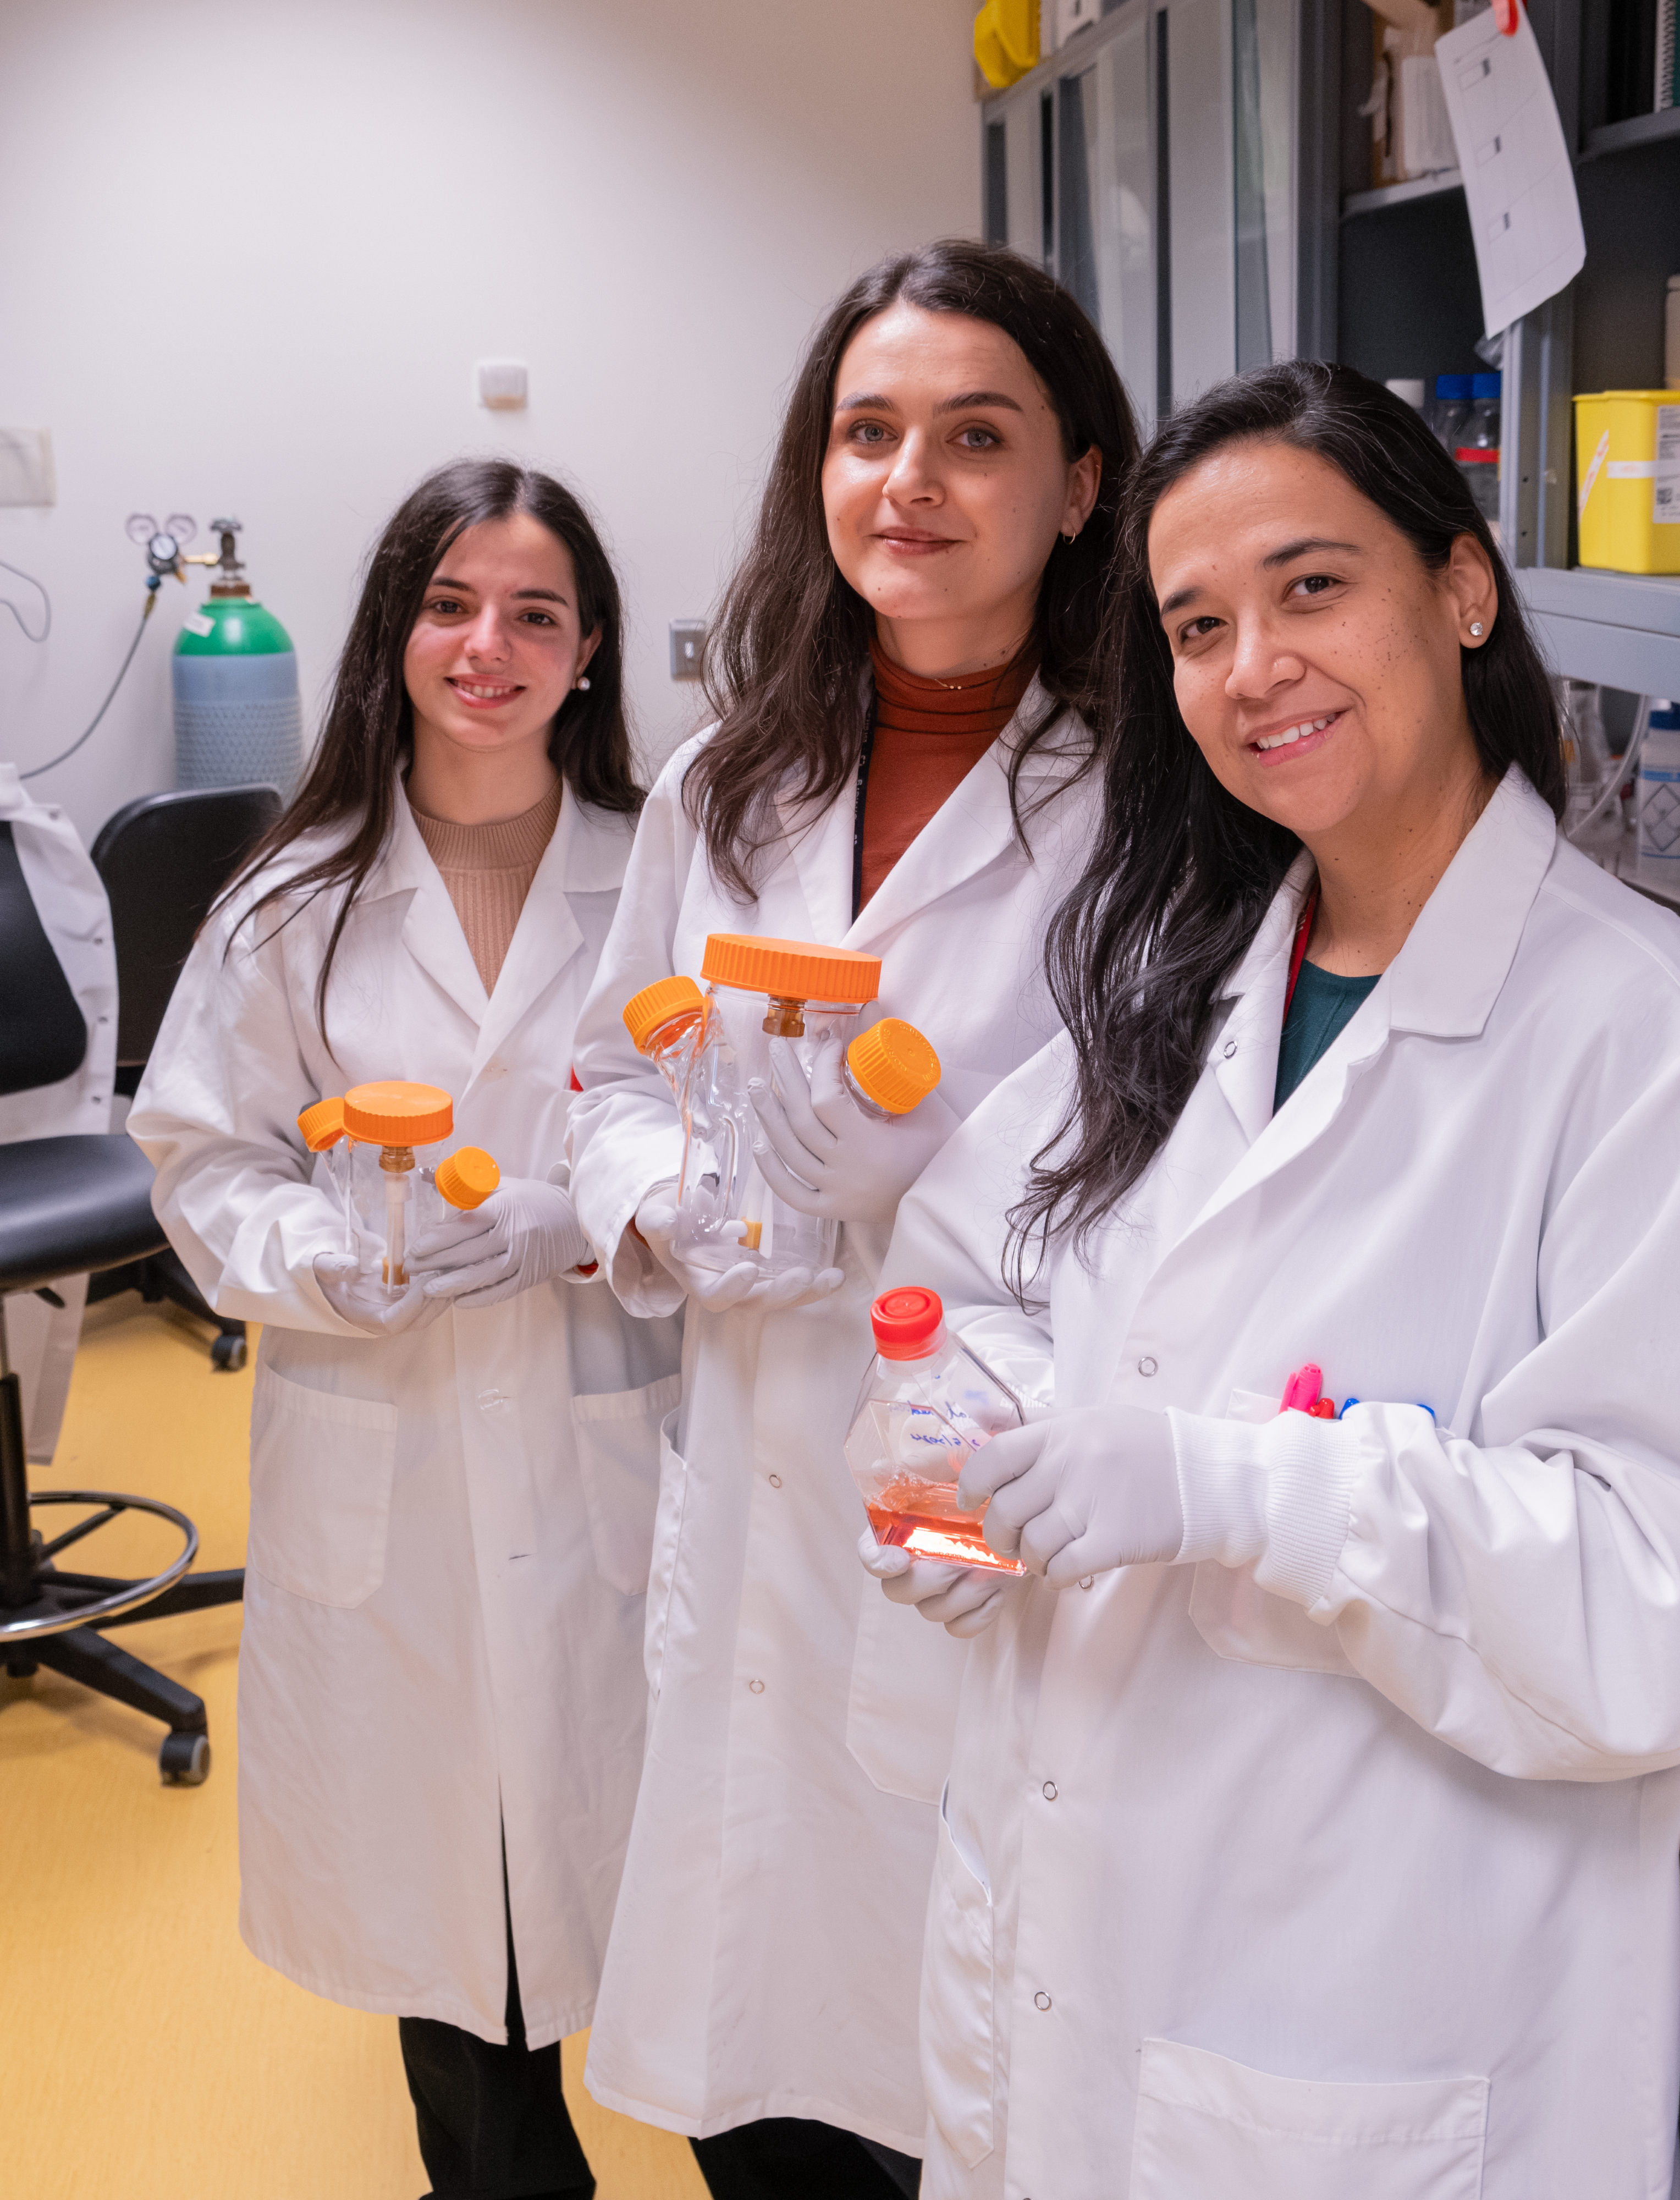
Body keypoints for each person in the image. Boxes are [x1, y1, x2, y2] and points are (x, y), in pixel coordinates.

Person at [872, 361, 1680, 2197]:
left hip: (1369, 2017)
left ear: (1464, 591)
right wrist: (973, 1459)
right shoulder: (1193, 967)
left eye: (1312, 586)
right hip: (1072, 1952)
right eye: (1198, 624)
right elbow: (968, 1280)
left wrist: (1236, 1483)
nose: (1253, 665)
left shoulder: (1645, 1040)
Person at [567, 240, 1138, 2196]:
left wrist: (941, 1199)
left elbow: (1197, 1169)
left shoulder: (1154, 799)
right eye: (868, 432)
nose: (911, 479)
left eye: (975, 437)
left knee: (978, 2065)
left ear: (1079, 488)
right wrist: (675, 1213)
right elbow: (612, 1078)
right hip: (750, 1473)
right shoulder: (729, 783)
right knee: (774, 2072)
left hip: (992, 1488)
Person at [130, 459, 679, 2200]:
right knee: (463, 1975)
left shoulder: (668, 867)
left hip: (623, 1442)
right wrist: (325, 1257)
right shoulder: (296, 894)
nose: (489, 647)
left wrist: (588, 1224)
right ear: (397, 631)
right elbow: (202, 1159)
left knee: (684, 1906)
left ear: (588, 650)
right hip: (390, 1458)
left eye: (535, 613)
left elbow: (726, 1139)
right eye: (451, 604)